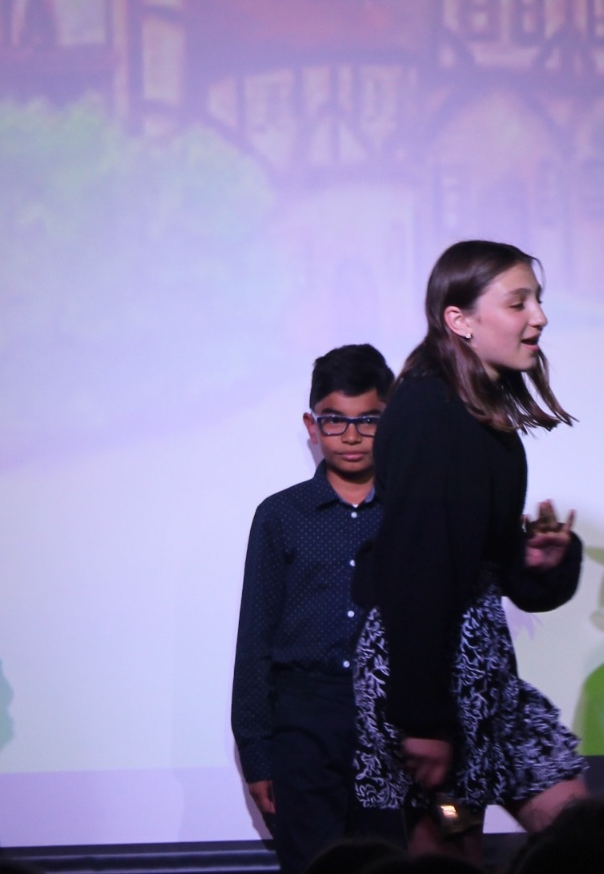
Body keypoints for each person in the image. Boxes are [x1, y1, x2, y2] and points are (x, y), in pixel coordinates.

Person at [353, 240, 588, 860]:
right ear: (459, 320)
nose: (538, 317)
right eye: (518, 303)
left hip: (483, 666)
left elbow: (486, 563)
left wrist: (538, 561)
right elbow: (415, 571)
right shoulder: (429, 411)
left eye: (538, 300)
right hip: (430, 672)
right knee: (450, 847)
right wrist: (424, 720)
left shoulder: (483, 414)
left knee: (581, 829)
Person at [232, 343, 400, 869]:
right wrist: (257, 753)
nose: (351, 436)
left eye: (368, 420)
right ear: (312, 425)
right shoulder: (281, 515)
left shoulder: (409, 511)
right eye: (335, 420)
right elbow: (255, 638)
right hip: (303, 720)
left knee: (388, 862)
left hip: (391, 717)